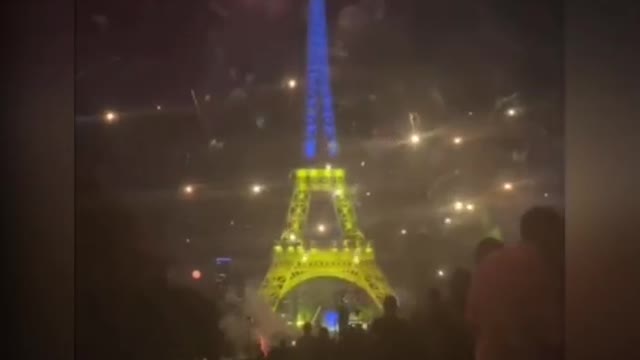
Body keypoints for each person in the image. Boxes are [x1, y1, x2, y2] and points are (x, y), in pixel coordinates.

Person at [466, 206, 564, 360]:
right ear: (549, 232)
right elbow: (553, 329)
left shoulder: (488, 264)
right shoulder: (546, 263)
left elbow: (472, 320)